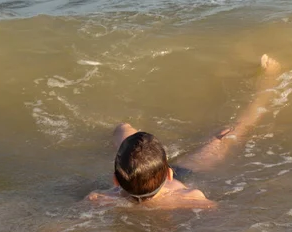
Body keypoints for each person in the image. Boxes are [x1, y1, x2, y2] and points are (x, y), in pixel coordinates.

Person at [86, 54, 281, 209]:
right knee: (226, 135)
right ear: (169, 174)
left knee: (122, 129)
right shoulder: (189, 197)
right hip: (184, 173)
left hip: (136, 179)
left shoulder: (100, 198)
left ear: (115, 180)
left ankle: (125, 132)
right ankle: (269, 80)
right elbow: (217, 210)